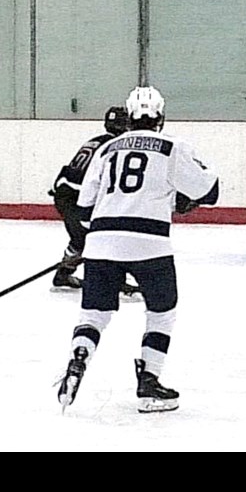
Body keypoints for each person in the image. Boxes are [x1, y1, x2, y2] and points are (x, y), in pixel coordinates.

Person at [57, 85, 220, 414]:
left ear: (130, 117)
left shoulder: (108, 148)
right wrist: (182, 196)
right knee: (162, 312)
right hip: (150, 244)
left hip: (101, 243)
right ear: (160, 117)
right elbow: (210, 190)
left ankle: (79, 359)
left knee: (94, 314)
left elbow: (85, 205)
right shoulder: (172, 147)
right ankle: (149, 382)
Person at [47, 105, 130, 292]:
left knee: (82, 238)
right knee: (101, 238)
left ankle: (63, 274)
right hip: (77, 198)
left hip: (64, 195)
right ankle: (113, 280)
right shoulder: (115, 147)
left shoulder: (96, 141)